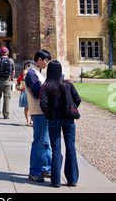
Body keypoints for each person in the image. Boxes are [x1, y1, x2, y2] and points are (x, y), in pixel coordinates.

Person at [40, 60, 81, 188]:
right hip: (68, 119)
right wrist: (70, 109)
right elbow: (77, 99)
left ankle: (56, 181)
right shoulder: (68, 84)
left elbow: (43, 105)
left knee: (56, 149)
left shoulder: (47, 86)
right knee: (71, 148)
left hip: (54, 120)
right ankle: (72, 179)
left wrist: (49, 114)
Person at [25, 49, 52, 182]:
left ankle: (46, 168)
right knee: (39, 143)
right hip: (38, 112)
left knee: (46, 143)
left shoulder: (37, 73)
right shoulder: (31, 73)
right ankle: (34, 171)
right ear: (39, 59)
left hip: (44, 112)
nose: (47, 63)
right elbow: (37, 92)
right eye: (46, 61)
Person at [0, 47, 15, 119]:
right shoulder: (11, 60)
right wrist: (12, 78)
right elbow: (13, 71)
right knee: (6, 98)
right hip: (7, 81)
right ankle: (6, 114)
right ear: (7, 52)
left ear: (1, 52)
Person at [17, 60, 32, 126]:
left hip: (31, 91)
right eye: (26, 66)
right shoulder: (23, 73)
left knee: (32, 107)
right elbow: (18, 80)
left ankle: (31, 121)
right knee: (26, 107)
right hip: (25, 90)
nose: (27, 68)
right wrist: (22, 75)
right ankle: (28, 120)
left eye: (28, 66)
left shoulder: (32, 73)